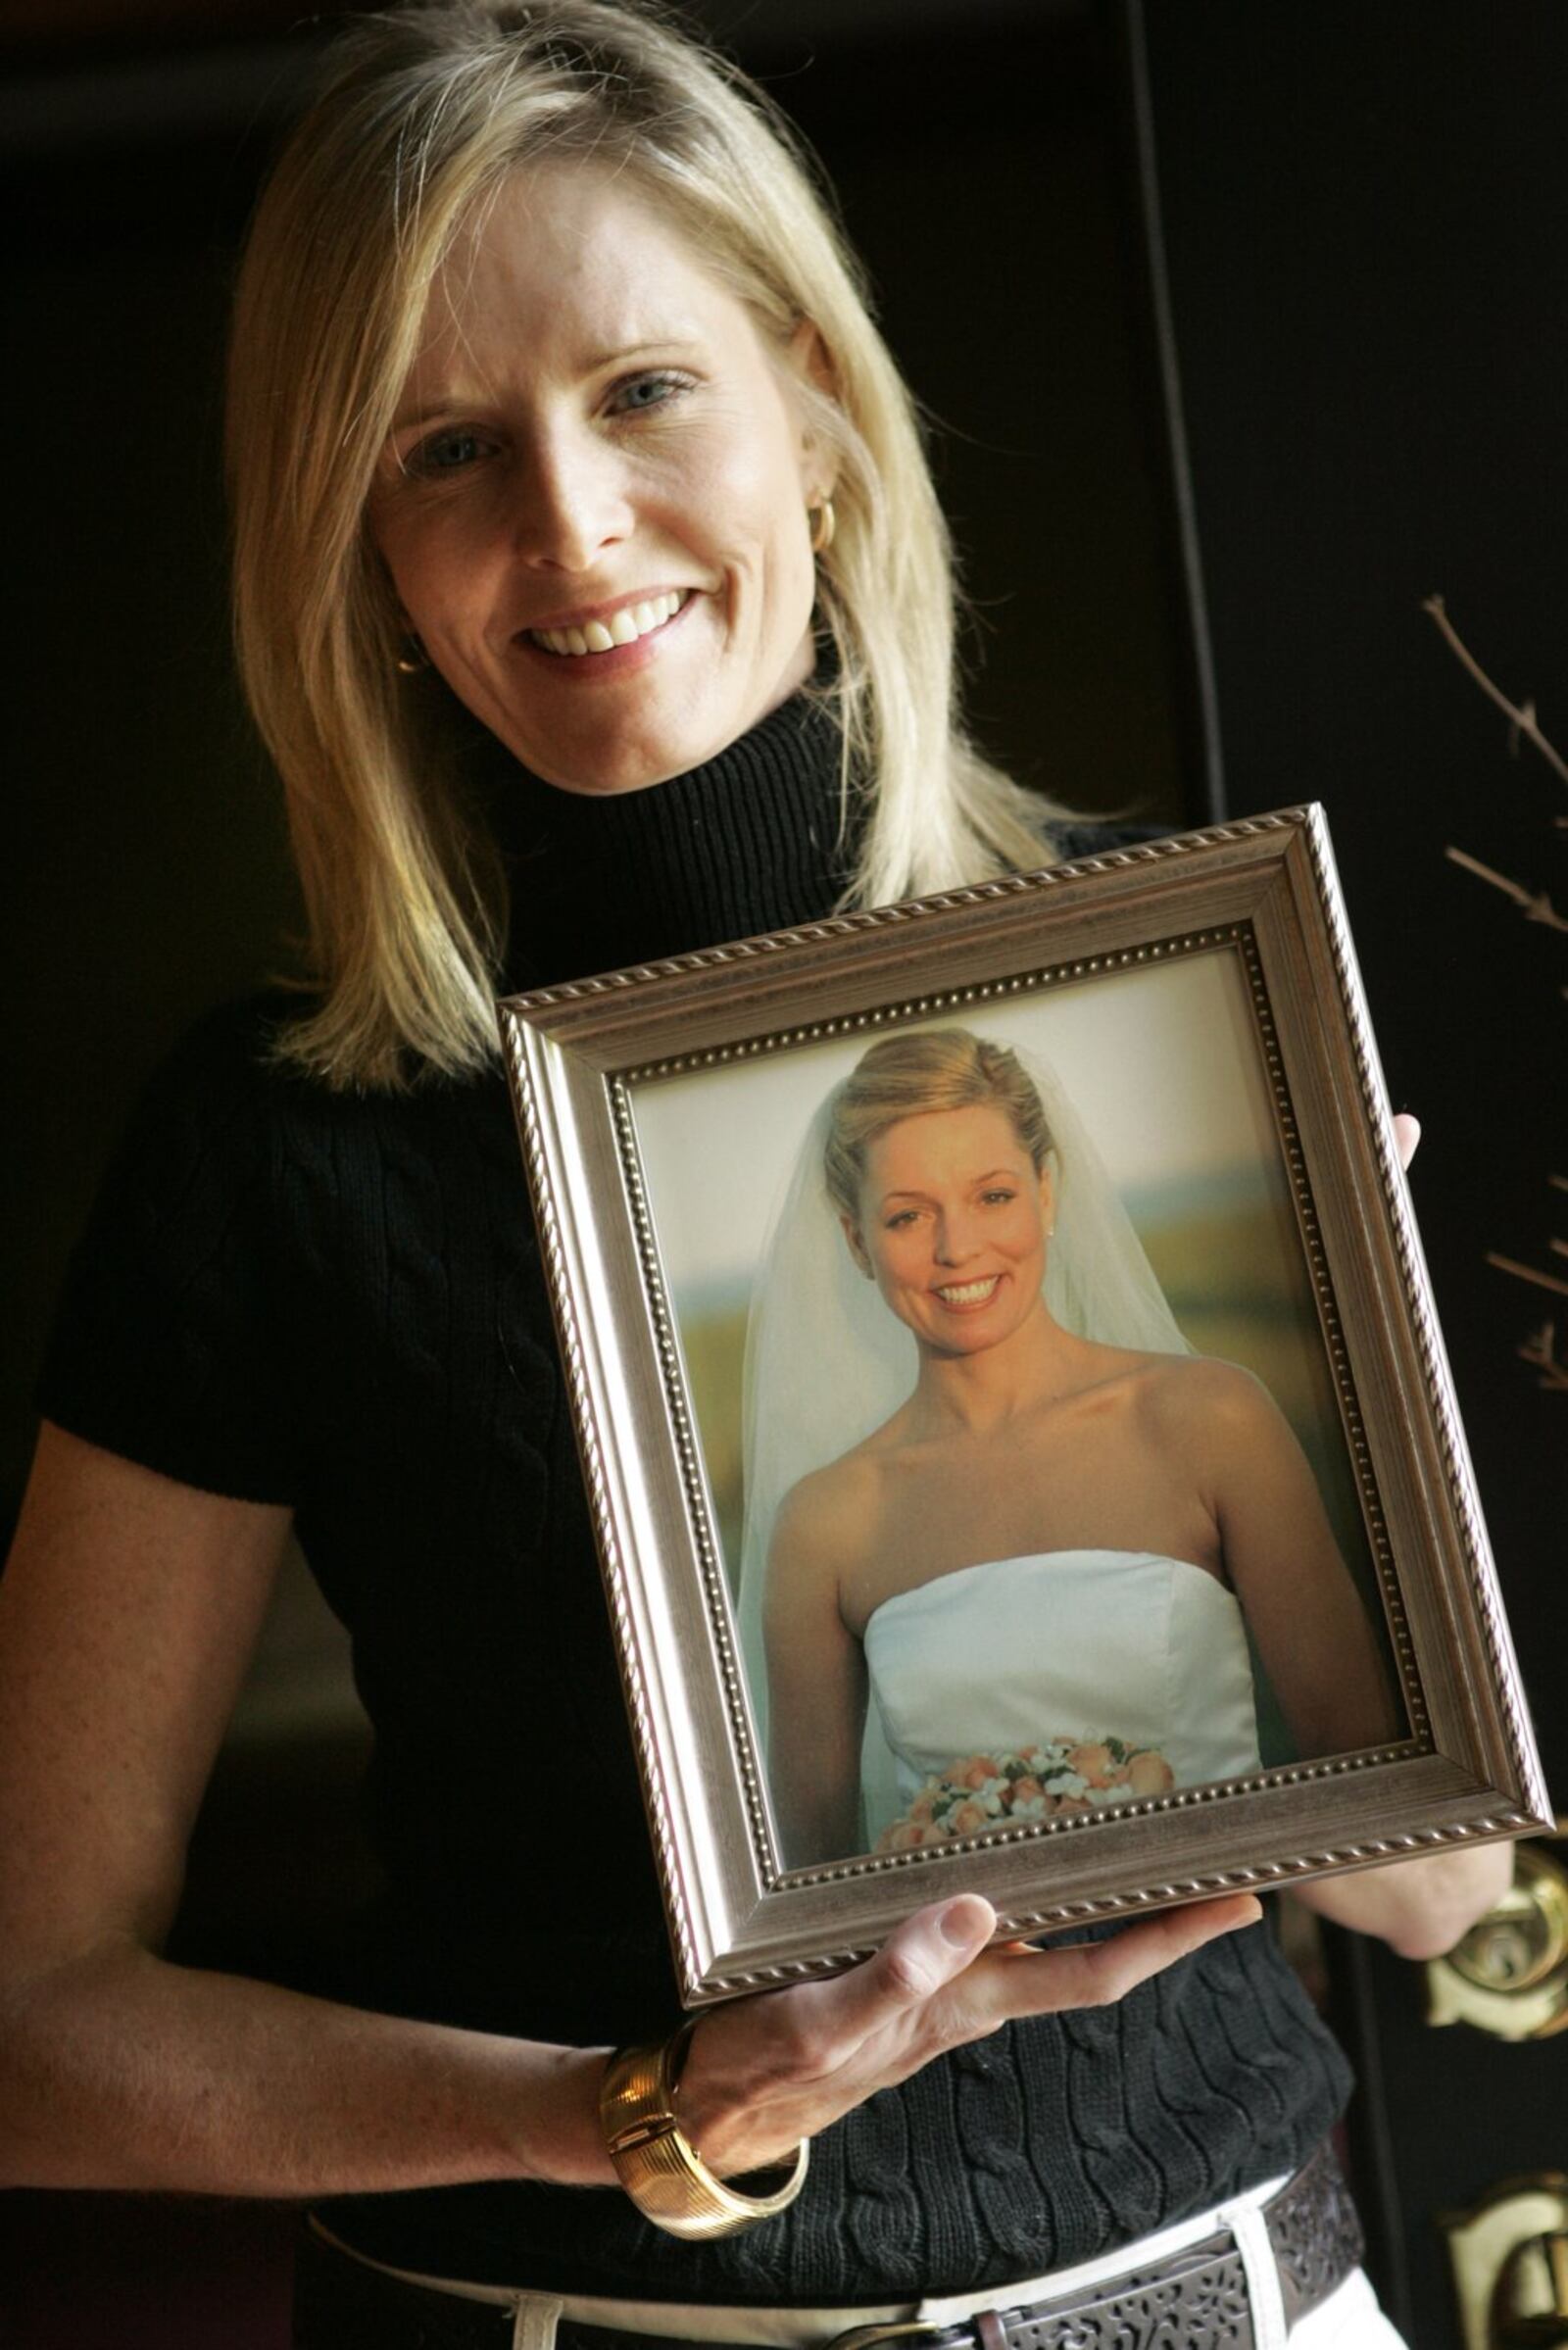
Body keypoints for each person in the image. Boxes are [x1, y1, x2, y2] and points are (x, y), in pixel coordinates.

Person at [0, 3, 1510, 2344]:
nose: (569, 524)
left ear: (808, 403)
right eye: (442, 448)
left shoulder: (1183, 1012)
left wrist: (1359, 1402)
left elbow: (1428, 1901)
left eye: (637, 391)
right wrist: (621, 2110)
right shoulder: (273, 1146)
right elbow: (29, 2033)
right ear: (358, 549)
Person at [744, 1028, 1397, 1867]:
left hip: (1222, 1973)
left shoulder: (1209, 1419)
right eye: (909, 1215)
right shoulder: (826, 1523)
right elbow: (814, 1883)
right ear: (856, 1240)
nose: (957, 1249)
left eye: (993, 1196)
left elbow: (1366, 1772)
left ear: (1047, 1194)